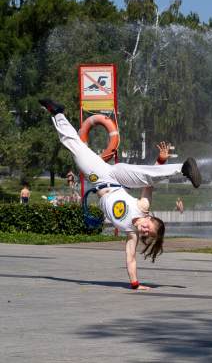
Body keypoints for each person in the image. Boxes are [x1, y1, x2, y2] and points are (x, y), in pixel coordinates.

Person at [39, 98, 202, 290]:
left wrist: (135, 284)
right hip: (117, 177)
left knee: (76, 147)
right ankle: (183, 169)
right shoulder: (143, 208)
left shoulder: (131, 234)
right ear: (151, 219)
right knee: (144, 178)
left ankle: (57, 113)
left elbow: (130, 258)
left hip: (99, 178)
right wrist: (160, 161)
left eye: (146, 234)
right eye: (149, 228)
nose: (144, 230)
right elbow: (149, 180)